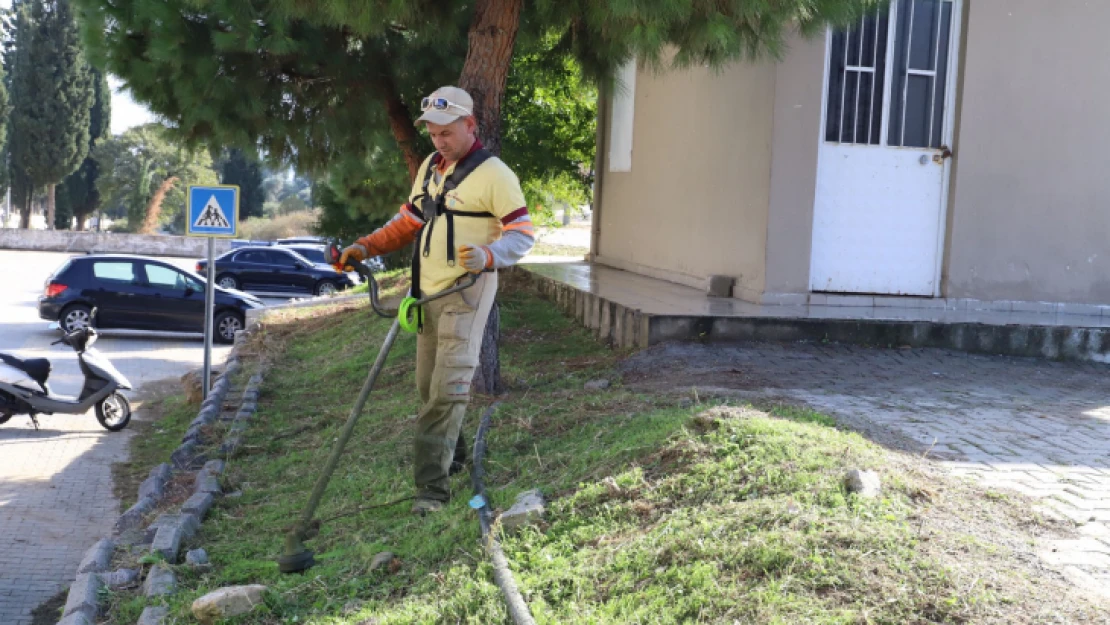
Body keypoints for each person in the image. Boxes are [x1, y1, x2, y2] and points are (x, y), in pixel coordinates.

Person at [339, 86, 535, 515]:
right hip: (427, 294)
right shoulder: (431, 166)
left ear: (470, 125)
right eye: (432, 132)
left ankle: (431, 492)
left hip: (466, 292)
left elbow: (522, 234)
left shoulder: (495, 173)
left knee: (446, 392)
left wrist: (488, 255)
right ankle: (456, 459)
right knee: (427, 387)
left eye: (447, 132)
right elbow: (409, 218)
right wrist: (365, 247)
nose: (439, 140)